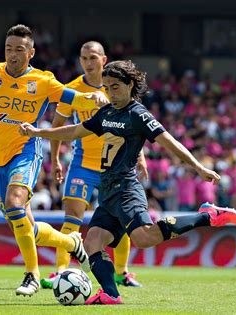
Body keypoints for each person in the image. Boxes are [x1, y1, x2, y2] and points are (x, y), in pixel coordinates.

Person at [19, 60, 236, 304]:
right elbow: (74, 131)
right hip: (107, 192)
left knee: (144, 238)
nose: (110, 93)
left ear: (130, 84)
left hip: (126, 189)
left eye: (115, 87)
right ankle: (110, 294)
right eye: (106, 87)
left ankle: (207, 215)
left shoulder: (138, 114)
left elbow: (170, 143)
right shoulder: (105, 112)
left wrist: (199, 168)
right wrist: (38, 132)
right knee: (93, 241)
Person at [0, 24, 109, 297]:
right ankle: (71, 242)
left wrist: (93, 97)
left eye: (19, 49)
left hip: (27, 150)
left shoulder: (43, 81)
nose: (12, 54)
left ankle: (31, 275)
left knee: (14, 203)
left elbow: (74, 99)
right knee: (23, 224)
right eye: (9, 48)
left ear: (30, 52)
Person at [41, 41, 145, 289]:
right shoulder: (72, 90)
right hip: (82, 165)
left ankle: (122, 273)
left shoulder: (116, 89)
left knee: (121, 220)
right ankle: (60, 271)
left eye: (93, 58)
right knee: (72, 216)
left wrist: (140, 156)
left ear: (104, 60)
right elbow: (57, 126)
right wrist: (55, 159)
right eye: (84, 58)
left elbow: (135, 124)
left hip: (115, 166)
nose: (88, 63)